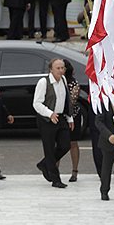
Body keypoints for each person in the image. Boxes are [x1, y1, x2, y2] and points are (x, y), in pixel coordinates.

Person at [33, 58, 74, 189]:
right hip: (47, 119)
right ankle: (55, 179)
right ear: (51, 69)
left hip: (60, 117)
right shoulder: (43, 82)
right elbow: (37, 103)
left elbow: (66, 100)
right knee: (49, 149)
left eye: (63, 68)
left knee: (65, 145)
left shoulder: (63, 80)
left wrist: (70, 117)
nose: (61, 71)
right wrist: (49, 113)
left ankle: (44, 164)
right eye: (58, 68)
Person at [62, 59, 84, 183]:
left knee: (73, 143)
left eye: (62, 68)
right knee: (58, 144)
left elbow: (72, 101)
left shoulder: (73, 83)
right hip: (58, 116)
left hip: (72, 115)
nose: (60, 70)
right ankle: (55, 169)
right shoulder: (55, 81)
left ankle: (74, 171)